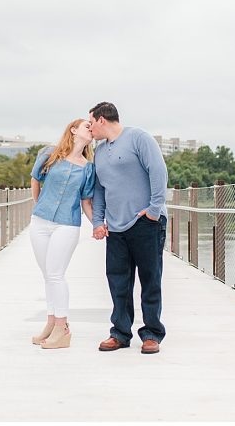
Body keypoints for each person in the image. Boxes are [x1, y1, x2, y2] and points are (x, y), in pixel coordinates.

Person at [88, 101, 168, 354]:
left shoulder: (138, 138)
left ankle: (152, 333)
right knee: (118, 282)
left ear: (102, 119)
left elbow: (158, 171)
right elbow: (99, 189)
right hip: (116, 227)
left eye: (91, 123)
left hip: (145, 223)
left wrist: (154, 210)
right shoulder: (99, 152)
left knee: (150, 279)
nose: (90, 129)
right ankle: (120, 333)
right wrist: (98, 221)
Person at [28, 118, 96, 349]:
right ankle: (50, 323)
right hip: (40, 222)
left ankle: (62, 328)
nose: (92, 128)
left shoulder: (88, 167)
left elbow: (86, 200)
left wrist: (97, 225)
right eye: (88, 125)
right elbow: (35, 180)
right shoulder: (49, 154)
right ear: (74, 129)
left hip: (67, 224)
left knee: (56, 274)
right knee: (48, 275)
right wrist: (40, 207)